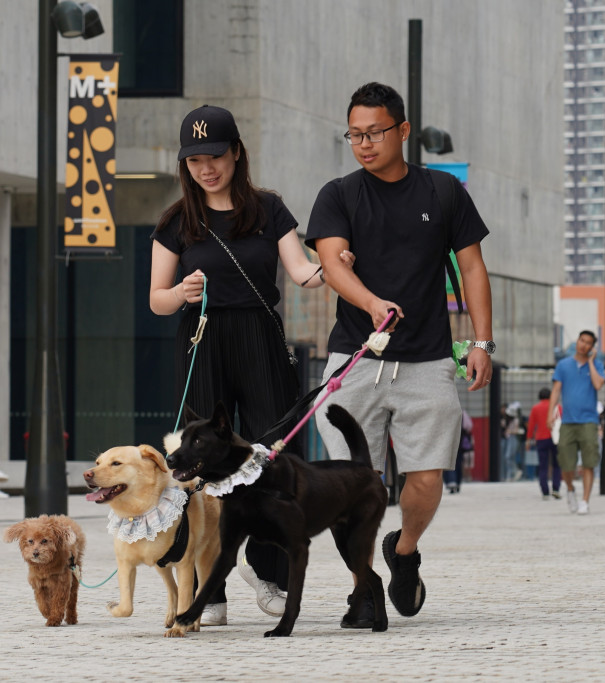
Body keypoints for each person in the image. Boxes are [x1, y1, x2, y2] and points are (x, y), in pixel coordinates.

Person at [150, 104, 346, 627]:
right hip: (203, 337)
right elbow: (156, 299)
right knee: (199, 460)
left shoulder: (268, 209)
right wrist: (181, 292)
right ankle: (208, 589)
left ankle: (268, 573)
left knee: (274, 454)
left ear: (236, 151)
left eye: (215, 156)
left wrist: (333, 267)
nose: (206, 168)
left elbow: (301, 271)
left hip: (261, 338)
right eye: (195, 160)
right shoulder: (176, 221)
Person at [305, 82, 493, 621]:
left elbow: (473, 267)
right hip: (355, 360)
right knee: (351, 488)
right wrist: (371, 303)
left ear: (403, 130)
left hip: (428, 360)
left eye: (375, 133)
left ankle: (404, 550)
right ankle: (363, 589)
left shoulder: (443, 192)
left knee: (426, 478)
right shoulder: (338, 195)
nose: (364, 144)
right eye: (354, 135)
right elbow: (332, 263)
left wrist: (481, 342)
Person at [547, 330, 605, 515]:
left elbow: (598, 384)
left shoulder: (597, 365)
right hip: (568, 421)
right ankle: (570, 490)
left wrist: (591, 362)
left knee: (589, 462)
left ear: (592, 347)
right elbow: (556, 390)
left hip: (589, 421)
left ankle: (585, 501)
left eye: (588, 343)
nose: (583, 345)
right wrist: (550, 413)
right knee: (566, 463)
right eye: (582, 340)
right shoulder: (563, 365)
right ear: (577, 341)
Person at [527, 387, 561, 500]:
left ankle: (545, 491)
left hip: (541, 439)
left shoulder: (535, 408)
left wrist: (528, 440)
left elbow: (531, 425)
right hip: (555, 438)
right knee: (557, 465)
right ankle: (556, 488)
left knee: (543, 466)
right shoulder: (557, 407)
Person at [443, 411, 473, 494]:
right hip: (459, 441)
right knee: (458, 463)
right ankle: (458, 482)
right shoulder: (463, 413)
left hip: (448, 442)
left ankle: (451, 482)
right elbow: (469, 426)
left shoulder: (446, 413)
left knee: (449, 462)